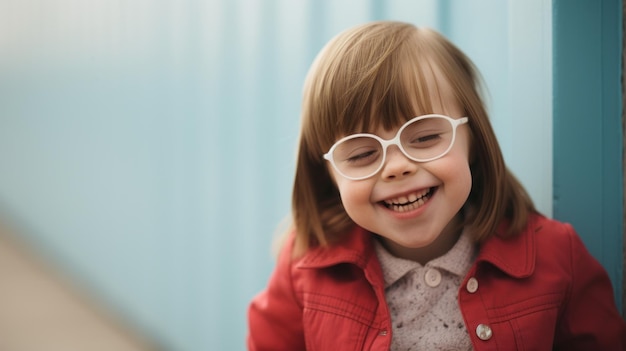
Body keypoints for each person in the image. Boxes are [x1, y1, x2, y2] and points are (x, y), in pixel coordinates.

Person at [247, 21, 626, 350]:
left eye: (425, 137)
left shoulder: (555, 256)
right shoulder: (303, 269)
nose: (397, 168)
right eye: (362, 153)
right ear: (329, 173)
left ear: (473, 139)